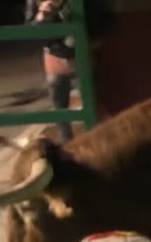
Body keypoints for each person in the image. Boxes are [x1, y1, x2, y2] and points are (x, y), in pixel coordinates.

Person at [25, 0, 117, 142]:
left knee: (93, 103)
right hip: (55, 56)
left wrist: (92, 42)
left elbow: (104, 18)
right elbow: (30, 29)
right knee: (60, 104)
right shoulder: (39, 2)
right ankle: (68, 142)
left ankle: (98, 139)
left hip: (83, 52)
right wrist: (43, 14)